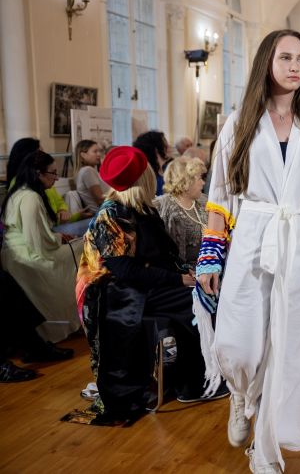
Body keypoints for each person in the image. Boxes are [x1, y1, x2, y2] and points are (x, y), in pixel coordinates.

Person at [196, 30, 300, 473]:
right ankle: (239, 394)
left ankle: (266, 451)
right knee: (238, 343)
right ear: (266, 64)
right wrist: (211, 255)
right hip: (253, 238)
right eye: (285, 57)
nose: (295, 67)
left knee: (290, 351)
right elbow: (220, 194)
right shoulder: (239, 123)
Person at [75, 146, 224, 423]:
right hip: (113, 293)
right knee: (195, 302)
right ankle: (193, 382)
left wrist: (188, 271)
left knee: (204, 294)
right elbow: (124, 270)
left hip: (141, 285)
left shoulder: (142, 209)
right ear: (142, 177)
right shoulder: (111, 215)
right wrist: (177, 279)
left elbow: (163, 256)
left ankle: (197, 377)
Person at [1, 151, 82, 343]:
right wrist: (60, 238)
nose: (57, 178)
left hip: (18, 252)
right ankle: (75, 317)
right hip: (28, 255)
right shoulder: (31, 198)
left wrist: (58, 237)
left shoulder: (20, 192)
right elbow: (38, 242)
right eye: (53, 173)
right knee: (82, 248)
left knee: (78, 244)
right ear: (38, 173)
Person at [5, 137, 87, 225]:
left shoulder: (43, 181)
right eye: (40, 153)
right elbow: (43, 224)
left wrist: (63, 211)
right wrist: (75, 217)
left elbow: (59, 203)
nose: (45, 155)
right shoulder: (24, 187)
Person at [154, 156, 208, 267]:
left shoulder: (204, 201)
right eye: (200, 178)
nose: (203, 183)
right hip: (182, 273)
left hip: (209, 268)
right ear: (186, 181)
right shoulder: (164, 207)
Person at [75, 139, 110, 214]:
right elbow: (100, 199)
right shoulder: (88, 171)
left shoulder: (89, 171)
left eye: (99, 151)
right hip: (106, 213)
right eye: (95, 151)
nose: (99, 154)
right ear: (83, 155)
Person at [133, 130, 170, 195]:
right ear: (156, 149)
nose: (169, 146)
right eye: (165, 144)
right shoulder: (149, 178)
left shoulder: (167, 168)